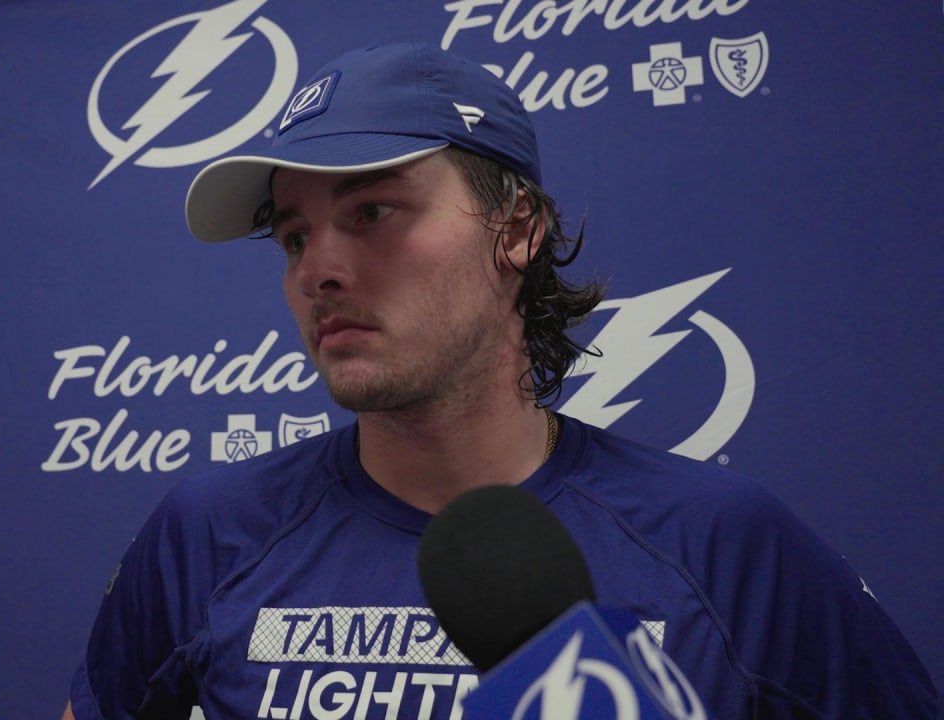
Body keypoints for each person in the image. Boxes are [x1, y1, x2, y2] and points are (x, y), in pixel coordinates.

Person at [64, 42, 939, 719]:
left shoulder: (721, 541)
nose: (317, 271)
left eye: (373, 211)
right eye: (295, 237)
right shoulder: (209, 532)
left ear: (517, 228)